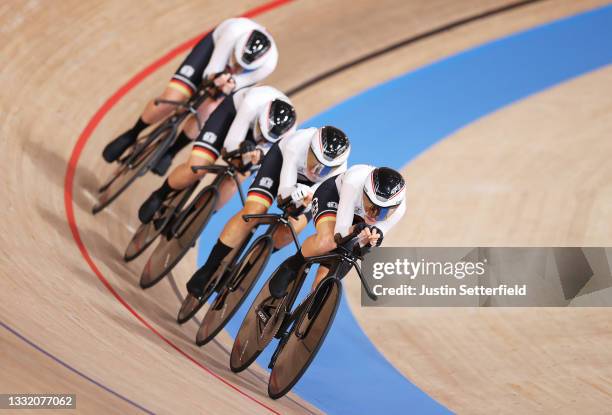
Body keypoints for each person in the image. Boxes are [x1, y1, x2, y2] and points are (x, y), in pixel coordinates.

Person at [184, 126, 352, 300]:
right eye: (314, 161)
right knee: (253, 211)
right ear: (310, 148)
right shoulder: (297, 143)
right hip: (280, 165)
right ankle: (208, 268)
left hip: (311, 189)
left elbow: (317, 197)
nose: (316, 170)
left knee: (292, 228)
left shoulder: (339, 172)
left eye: (324, 169)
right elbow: (283, 193)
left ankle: (248, 266)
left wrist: (303, 202)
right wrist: (292, 195)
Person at [102, 17, 278, 176]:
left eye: (243, 66)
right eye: (237, 61)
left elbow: (238, 84)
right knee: (173, 97)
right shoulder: (232, 32)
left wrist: (227, 85)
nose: (237, 67)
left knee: (208, 109)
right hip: (213, 51)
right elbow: (211, 70)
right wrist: (215, 79)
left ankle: (171, 152)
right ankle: (132, 134)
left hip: (238, 79)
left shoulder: (268, 65)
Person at [137, 85, 296, 224]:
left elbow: (268, 158)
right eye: (261, 131)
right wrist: (241, 149)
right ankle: (159, 195)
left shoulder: (288, 136)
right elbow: (230, 145)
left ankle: (194, 217)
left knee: (236, 178)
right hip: (232, 116)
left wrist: (257, 156)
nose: (262, 136)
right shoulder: (252, 103)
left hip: (260, 144)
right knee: (197, 167)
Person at [267, 165, 407, 299]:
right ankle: (292, 265)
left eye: (381, 213)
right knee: (328, 241)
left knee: (338, 267)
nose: (373, 214)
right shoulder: (354, 180)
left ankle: (308, 309)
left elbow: (364, 246)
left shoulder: (398, 210)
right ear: (364, 191)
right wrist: (353, 230)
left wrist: (369, 241)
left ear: (394, 208)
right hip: (334, 197)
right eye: (369, 204)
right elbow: (340, 232)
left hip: (357, 219)